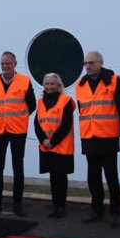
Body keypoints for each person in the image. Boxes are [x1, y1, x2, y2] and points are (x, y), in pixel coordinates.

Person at [75, 51, 120, 226]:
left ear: (100, 63)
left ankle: (115, 213)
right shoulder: (81, 85)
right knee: (93, 177)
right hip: (89, 136)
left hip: (108, 136)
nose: (88, 66)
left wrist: (118, 131)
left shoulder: (113, 80)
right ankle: (97, 210)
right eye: (85, 63)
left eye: (91, 63)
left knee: (111, 177)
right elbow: (83, 110)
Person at [0, 51, 36, 216]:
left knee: (18, 168)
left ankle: (17, 204)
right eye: (2, 64)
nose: (5, 67)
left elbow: (32, 105)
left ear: (15, 64)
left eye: (7, 63)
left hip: (17, 131)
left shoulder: (24, 81)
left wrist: (17, 118)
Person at [33, 73, 75, 219]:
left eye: (52, 84)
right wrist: (43, 140)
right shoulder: (40, 102)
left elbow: (66, 125)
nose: (49, 87)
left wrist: (52, 141)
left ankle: (61, 206)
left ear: (59, 85)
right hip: (47, 146)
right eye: (47, 84)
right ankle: (55, 205)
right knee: (53, 177)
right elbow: (37, 123)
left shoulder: (66, 101)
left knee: (61, 177)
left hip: (61, 146)